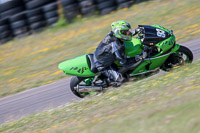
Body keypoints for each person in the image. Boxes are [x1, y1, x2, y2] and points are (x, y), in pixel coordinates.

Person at [93, 20, 145, 86]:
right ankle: (108, 84)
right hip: (103, 65)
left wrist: (137, 30)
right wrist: (138, 58)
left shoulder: (114, 34)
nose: (128, 32)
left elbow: (124, 35)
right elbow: (124, 62)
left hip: (104, 55)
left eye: (128, 31)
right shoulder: (117, 47)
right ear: (120, 33)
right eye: (126, 31)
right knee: (122, 81)